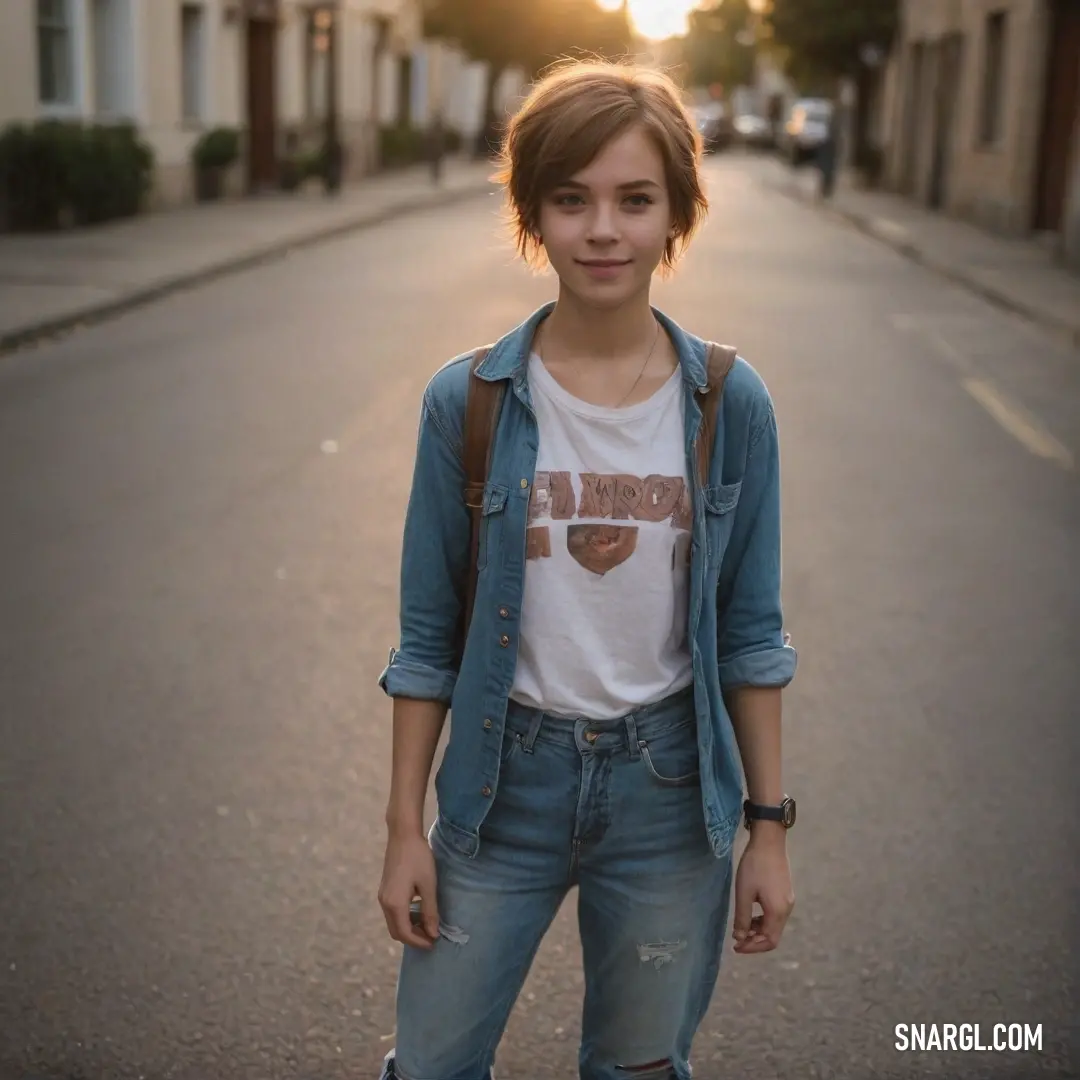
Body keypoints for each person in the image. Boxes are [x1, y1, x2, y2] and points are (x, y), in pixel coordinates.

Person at [376, 59, 798, 1080]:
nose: (602, 229)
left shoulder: (726, 406)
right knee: (430, 1066)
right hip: (499, 791)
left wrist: (770, 832)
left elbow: (750, 634)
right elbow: (428, 641)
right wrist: (403, 829)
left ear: (676, 216)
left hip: (666, 794)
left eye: (634, 200)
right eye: (570, 200)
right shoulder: (467, 402)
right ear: (532, 213)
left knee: (638, 1068)